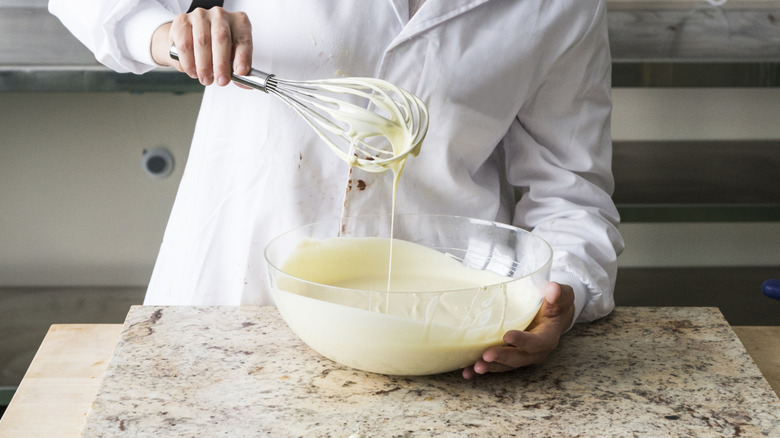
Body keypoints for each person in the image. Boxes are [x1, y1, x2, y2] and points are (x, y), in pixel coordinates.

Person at [49, 0, 624, 379]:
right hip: (235, 299)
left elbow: (570, 191)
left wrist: (558, 296)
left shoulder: (561, 8)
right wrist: (161, 34)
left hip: (443, 334)